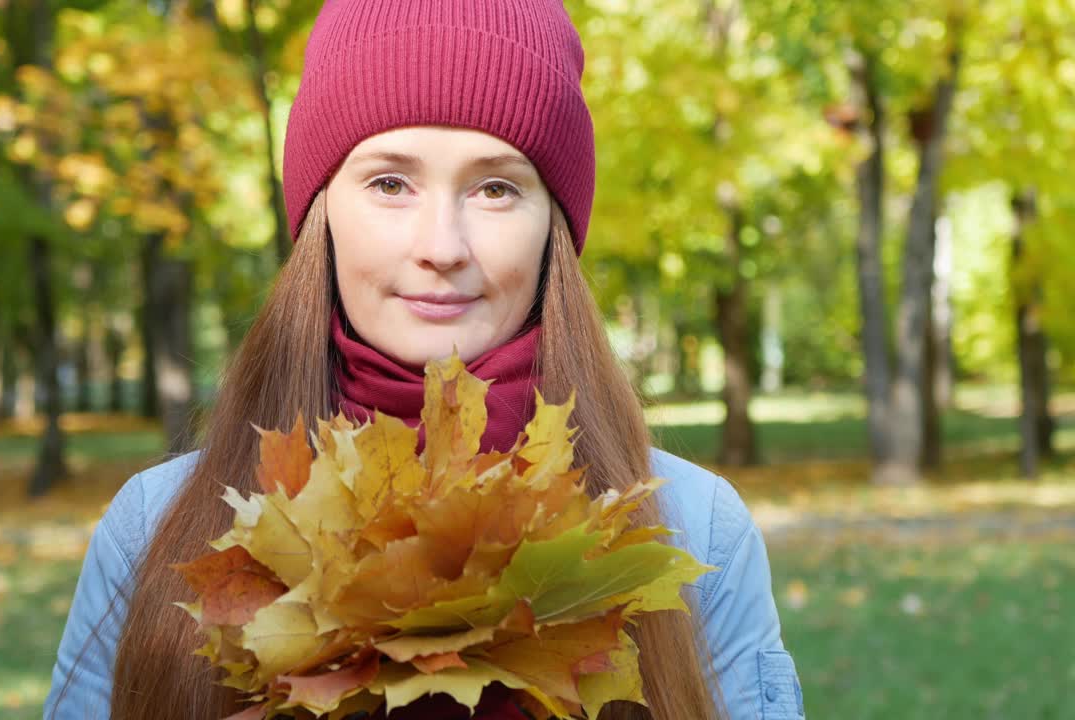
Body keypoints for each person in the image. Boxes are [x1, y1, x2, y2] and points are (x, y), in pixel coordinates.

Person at [44, 1, 803, 719]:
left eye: (497, 188)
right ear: (322, 211)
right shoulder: (156, 532)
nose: (441, 246)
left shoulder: (692, 535)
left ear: (554, 227)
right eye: (389, 182)